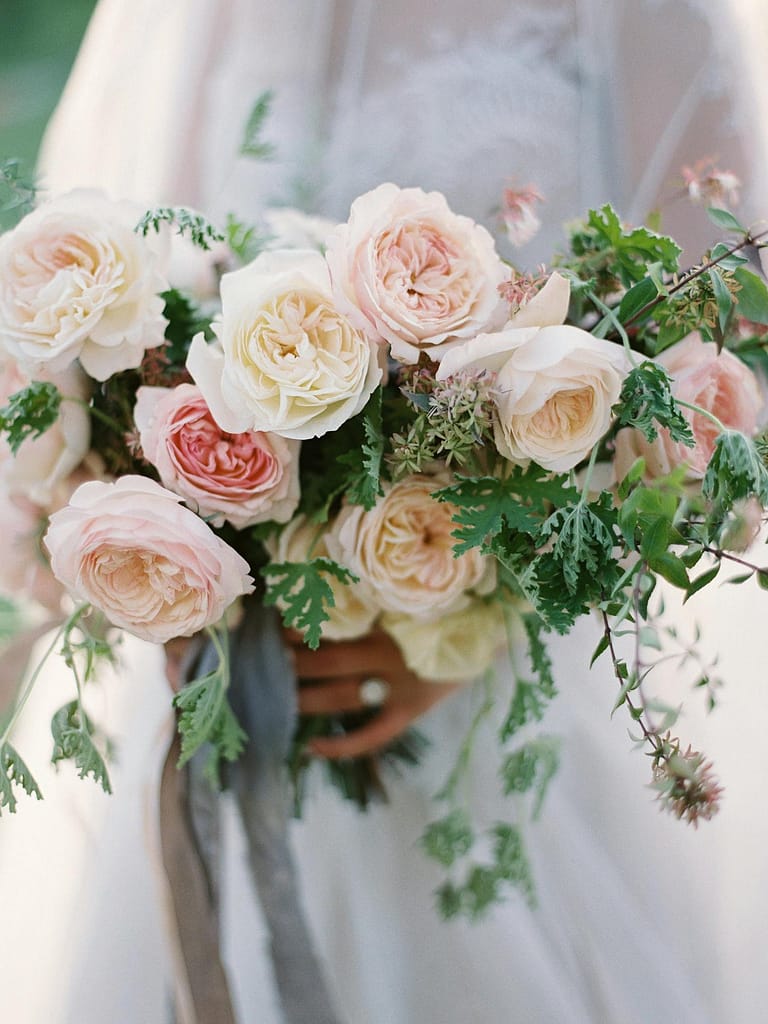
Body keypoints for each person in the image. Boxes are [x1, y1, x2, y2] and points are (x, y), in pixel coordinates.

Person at [2, 1, 768, 1021]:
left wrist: (473, 612)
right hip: (230, 673)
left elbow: (716, 372)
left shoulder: (641, 16)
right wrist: (175, 545)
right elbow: (155, 296)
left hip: (508, 707)